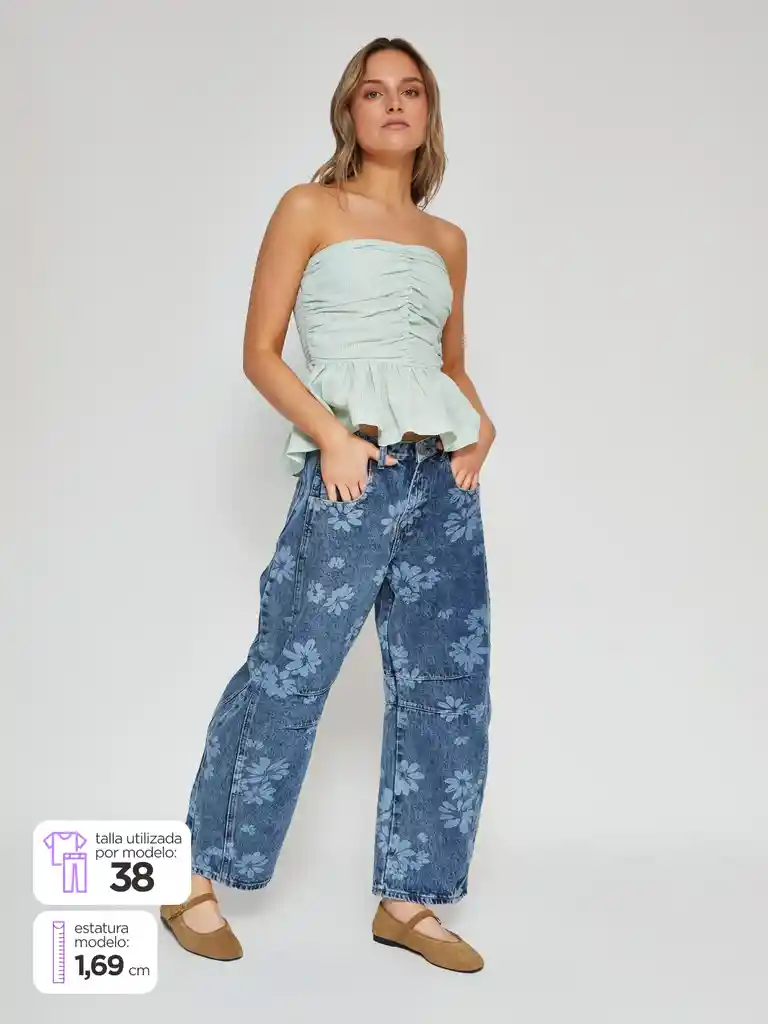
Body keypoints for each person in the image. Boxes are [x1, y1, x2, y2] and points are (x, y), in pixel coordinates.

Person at [160, 35, 496, 973]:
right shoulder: (309, 207)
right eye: (374, 91)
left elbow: (448, 365)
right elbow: (261, 351)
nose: (394, 104)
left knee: (449, 686)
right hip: (351, 467)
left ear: (428, 112)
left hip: (442, 480)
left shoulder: (447, 240)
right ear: (349, 109)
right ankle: (194, 877)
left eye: (411, 91)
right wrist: (333, 437)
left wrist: (481, 428)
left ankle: (410, 900)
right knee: (290, 671)